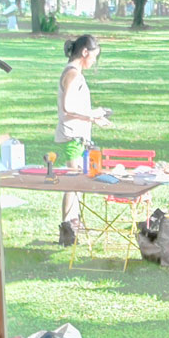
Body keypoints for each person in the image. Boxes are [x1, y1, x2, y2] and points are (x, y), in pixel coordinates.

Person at [55, 34, 109, 245]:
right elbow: (67, 107)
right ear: (85, 52)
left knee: (77, 181)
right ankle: (67, 228)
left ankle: (73, 223)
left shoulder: (75, 73)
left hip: (77, 134)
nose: (94, 61)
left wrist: (95, 115)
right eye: (94, 56)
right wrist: (92, 116)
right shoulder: (72, 74)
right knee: (73, 180)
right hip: (71, 135)